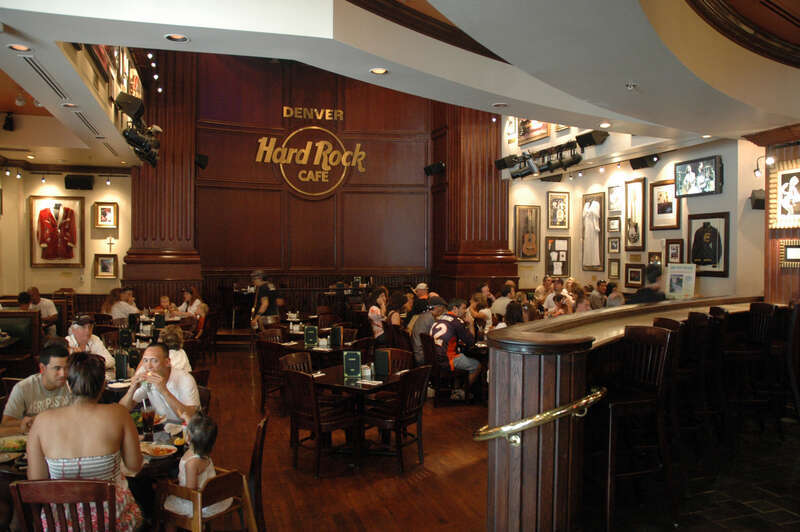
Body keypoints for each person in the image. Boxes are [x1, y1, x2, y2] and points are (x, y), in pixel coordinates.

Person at [26, 352, 143, 531]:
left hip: (62, 523)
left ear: (68, 384)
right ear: (103, 385)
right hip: (112, 521)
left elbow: (37, 481)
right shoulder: (118, 414)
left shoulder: (42, 422)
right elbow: (135, 465)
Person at [163, 413, 231, 524]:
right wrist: (186, 417)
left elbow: (191, 490)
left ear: (188, 437)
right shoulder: (204, 453)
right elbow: (198, 429)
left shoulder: (191, 464)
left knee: (167, 508)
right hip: (212, 498)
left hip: (196, 503)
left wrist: (170, 488)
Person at [1, 342, 72, 436]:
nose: (63, 374)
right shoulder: (23, 388)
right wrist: (30, 424)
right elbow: (5, 424)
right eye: (57, 368)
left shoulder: (73, 385)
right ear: (42, 368)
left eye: (66, 368)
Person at [119, 343, 200, 423]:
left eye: (154, 361)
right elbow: (122, 409)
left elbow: (191, 417)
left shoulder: (185, 379)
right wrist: (132, 389)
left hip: (185, 430)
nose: (148, 366)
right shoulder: (147, 381)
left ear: (167, 362)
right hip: (161, 429)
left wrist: (164, 391)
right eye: (145, 360)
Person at [430, 299, 480, 400]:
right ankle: (462, 392)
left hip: (435, 358)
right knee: (477, 365)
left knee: (461, 356)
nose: (465, 311)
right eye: (463, 308)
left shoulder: (439, 318)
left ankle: (455, 389)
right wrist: (470, 324)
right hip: (448, 359)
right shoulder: (456, 321)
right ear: (455, 309)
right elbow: (471, 342)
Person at [66, 315, 115, 379]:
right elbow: (69, 368)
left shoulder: (94, 339)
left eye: (90, 327)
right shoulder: (67, 343)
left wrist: (88, 363)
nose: (88, 331)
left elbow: (111, 361)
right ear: (73, 330)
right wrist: (96, 362)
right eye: (83, 327)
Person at [410, 296, 447, 365]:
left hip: (416, 352)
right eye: (443, 308)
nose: (444, 311)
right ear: (438, 307)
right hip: (422, 356)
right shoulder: (431, 318)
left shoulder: (424, 315)